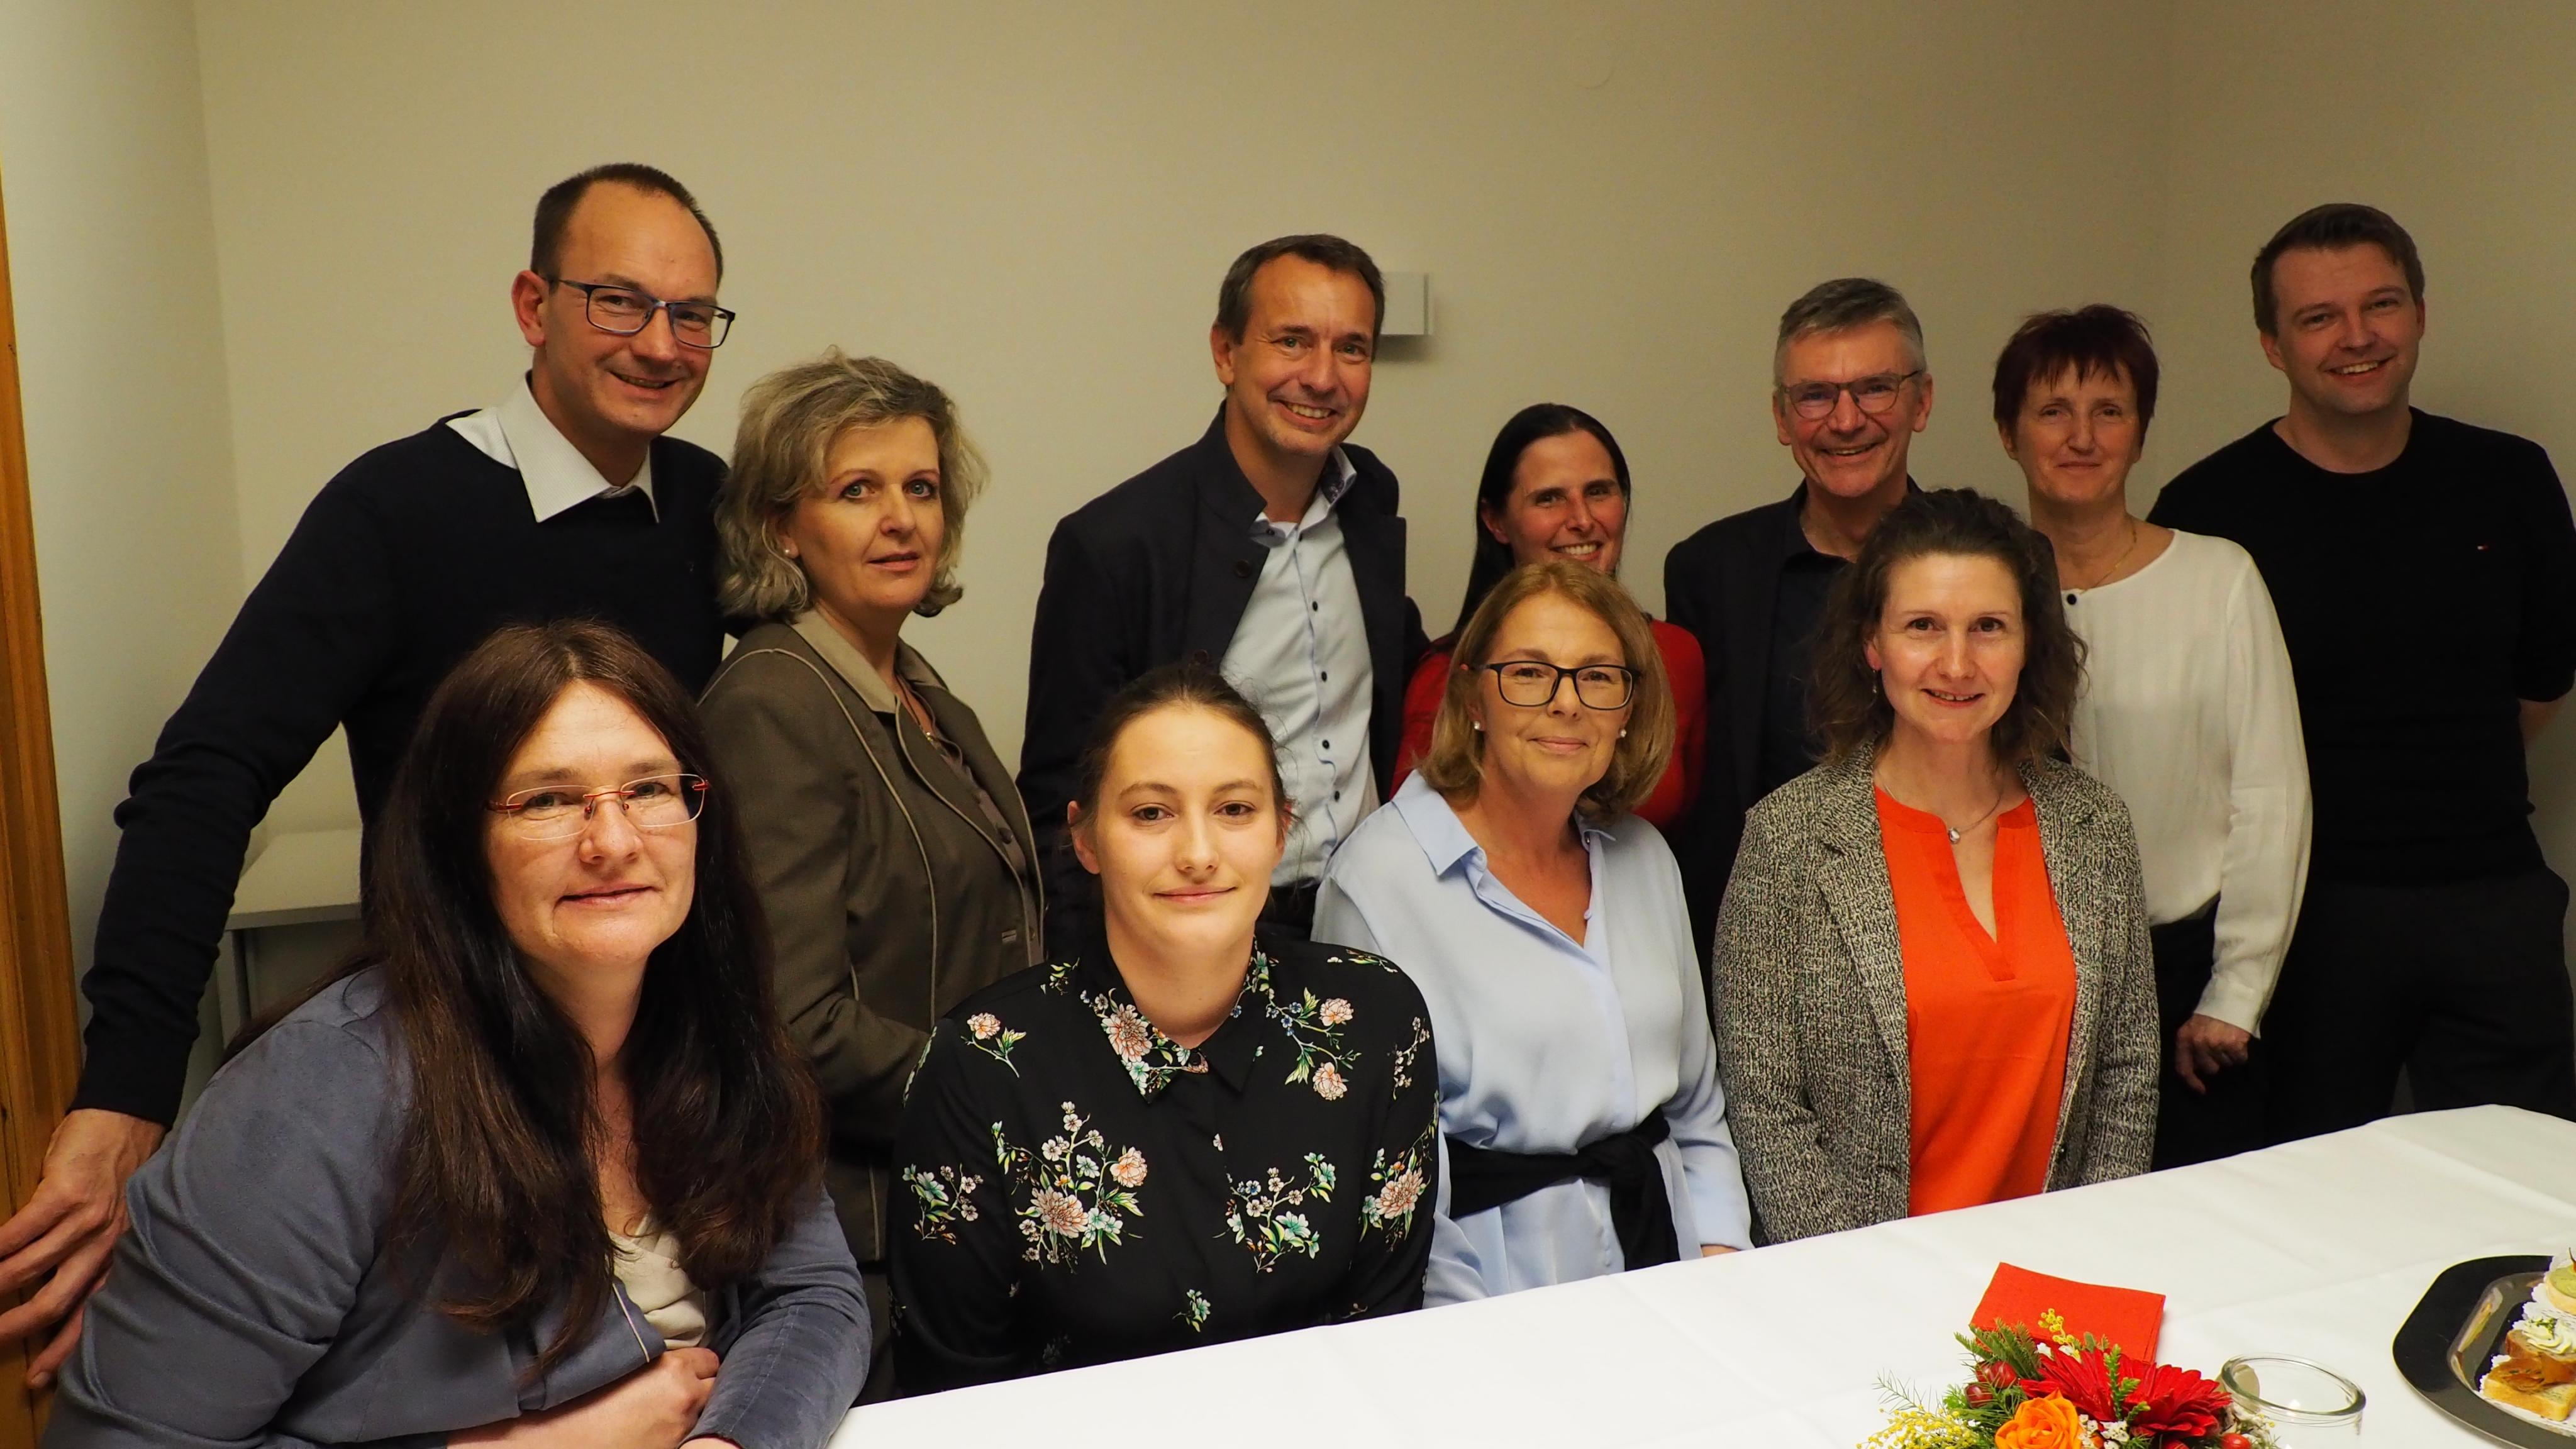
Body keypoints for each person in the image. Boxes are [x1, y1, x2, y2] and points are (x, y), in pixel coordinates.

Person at [0, 164, 741, 1383]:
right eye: (618, 300)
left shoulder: (713, 506)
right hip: (461, 1079)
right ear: (532, 304)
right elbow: (207, 772)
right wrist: (127, 1091)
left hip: (657, 1069)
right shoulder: (400, 508)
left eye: (691, 313)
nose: (659, 343)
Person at [47, 622, 864, 1447]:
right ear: (459, 848)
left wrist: (727, 1442)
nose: (613, 842)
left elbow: (810, 1297)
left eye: (648, 788)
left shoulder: (713, 1022)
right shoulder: (314, 1094)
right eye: (547, 800)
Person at [2150, 203, 2576, 1138]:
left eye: (2380, 305)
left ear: (2419, 313)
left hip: (2493, 899)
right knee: (2299, 1185)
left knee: (2525, 1182)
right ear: (2273, 346)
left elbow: (2542, 683)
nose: (2357, 337)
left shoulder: (2509, 479)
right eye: (2318, 318)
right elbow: (2193, 735)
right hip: (2304, 921)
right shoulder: (2209, 510)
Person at [892, 665, 1438, 1391]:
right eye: (1151, 813)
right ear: (1086, 839)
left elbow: (1384, 1336)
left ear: (1282, 831)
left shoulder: (1375, 1021)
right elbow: (956, 1394)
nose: (1198, 854)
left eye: (1235, 809)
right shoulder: (983, 1064)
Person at [698, 352, 1040, 1393]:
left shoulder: (919, 686)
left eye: (921, 488)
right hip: (867, 1239)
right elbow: (793, 1022)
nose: (900, 520)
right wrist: (1020, 1094)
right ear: (780, 526)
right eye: (857, 490)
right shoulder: (773, 700)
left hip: (964, 1203)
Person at [1711, 489, 2157, 1243]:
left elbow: (2126, 1071)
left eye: (1988, 627)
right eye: (1922, 626)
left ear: (2028, 644)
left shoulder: (2094, 827)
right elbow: (1765, 1103)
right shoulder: (1789, 840)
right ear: (1871, 644)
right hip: (1865, 1275)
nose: (1956, 664)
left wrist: (2087, 1249)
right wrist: (1861, 1278)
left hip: (2055, 1272)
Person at [1318, 561, 1751, 1303]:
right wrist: (1472, 1336)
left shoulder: (1646, 860)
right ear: (1472, 697)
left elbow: (1696, 1108)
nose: (1566, 703)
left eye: (1597, 677)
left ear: (1628, 709)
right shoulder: (1377, 882)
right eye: (1529, 673)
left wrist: (1720, 1265)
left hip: (1671, 1274)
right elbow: (1385, 1179)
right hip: (1490, 1298)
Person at [1018, 235, 1426, 941]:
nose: (1322, 377)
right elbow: (1062, 799)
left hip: (1372, 916)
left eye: (1351, 349)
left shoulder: (1370, 502)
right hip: (1204, 928)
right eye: (1292, 341)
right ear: (1225, 353)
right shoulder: (1115, 544)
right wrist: (1087, 982)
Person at [1995, 306, 2311, 1167]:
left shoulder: (2218, 578)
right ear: (2008, 432)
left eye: (2110, 410)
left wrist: (2236, 992)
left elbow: (2271, 794)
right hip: (2021, 979)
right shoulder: (1979, 589)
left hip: (2186, 975)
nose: (2082, 437)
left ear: (2139, 434)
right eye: (2053, 411)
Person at [1663, 277, 1933, 957]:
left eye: (1875, 388)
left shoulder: (1995, 564)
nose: (1845, 420)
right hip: (1766, 943)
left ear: (1922, 401)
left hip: (1948, 929)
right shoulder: (1709, 571)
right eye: (1815, 395)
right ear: (1782, 418)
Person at [1392, 405, 1706, 829]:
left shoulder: (1677, 655)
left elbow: (1697, 832)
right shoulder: (1445, 676)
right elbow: (1414, 834)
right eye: (1549, 498)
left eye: (1599, 492)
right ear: (1496, 521)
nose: (1582, 520)